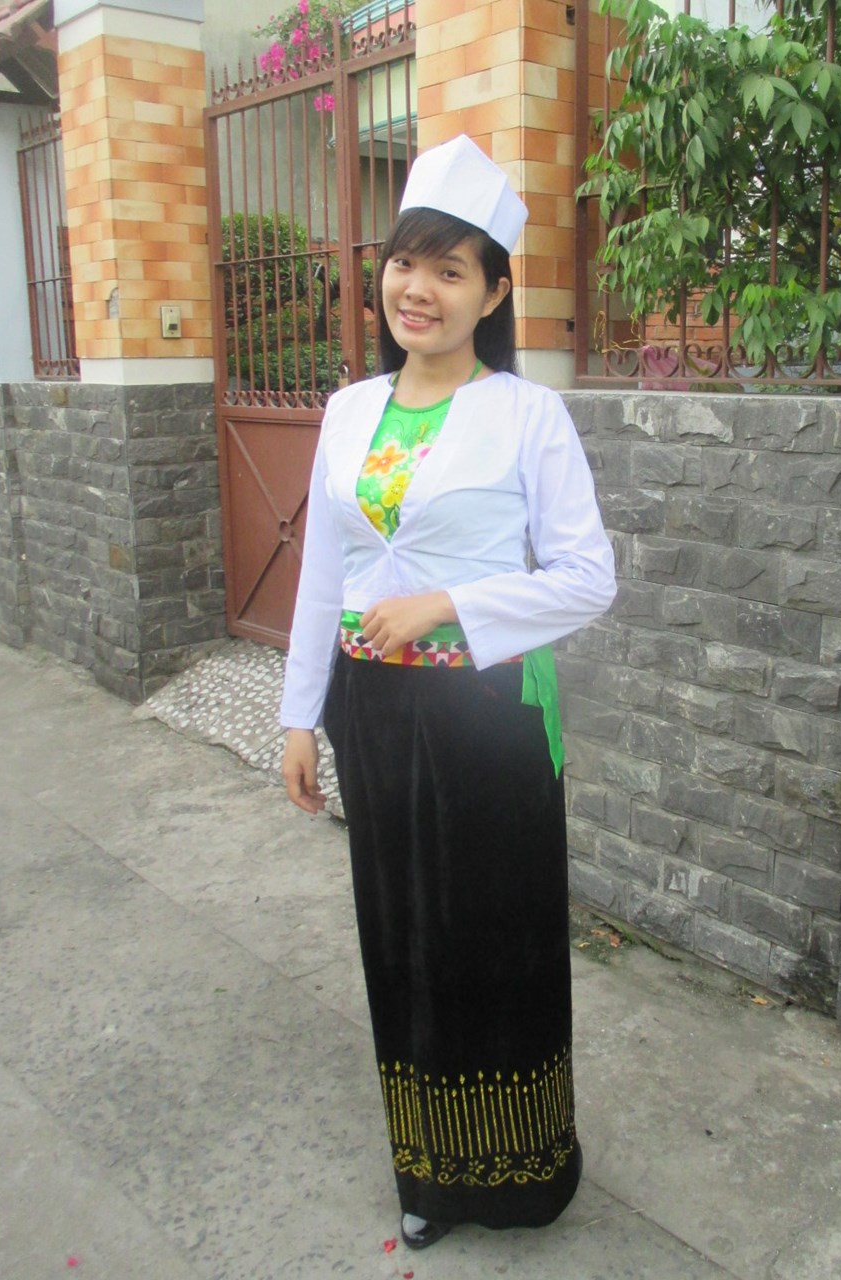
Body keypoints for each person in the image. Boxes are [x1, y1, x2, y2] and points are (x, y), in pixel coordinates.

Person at [280, 135, 616, 1249]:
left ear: (494, 293)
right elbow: (324, 573)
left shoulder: (526, 414)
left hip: (488, 720)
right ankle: (426, 1169)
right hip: (373, 716)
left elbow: (587, 577)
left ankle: (520, 1170)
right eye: (403, 262)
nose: (416, 288)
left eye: (450, 269)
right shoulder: (348, 410)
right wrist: (298, 713)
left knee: (497, 938)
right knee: (404, 938)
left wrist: (448, 604)